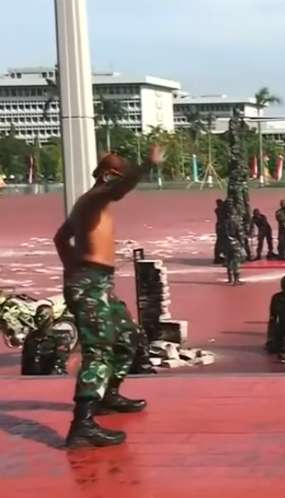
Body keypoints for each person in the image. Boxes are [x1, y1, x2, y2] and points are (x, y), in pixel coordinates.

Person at [54, 145, 164, 448]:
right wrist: (147, 165)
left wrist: (73, 268)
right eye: (117, 177)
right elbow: (120, 189)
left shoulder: (88, 205)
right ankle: (83, 424)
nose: (120, 184)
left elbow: (60, 238)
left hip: (97, 283)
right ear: (107, 176)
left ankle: (108, 395)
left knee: (128, 336)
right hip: (89, 283)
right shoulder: (95, 199)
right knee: (98, 349)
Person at [20, 304, 71, 376]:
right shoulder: (31, 337)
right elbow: (25, 361)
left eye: (42, 316)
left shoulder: (61, 337)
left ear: (51, 318)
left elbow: (59, 362)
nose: (38, 319)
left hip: (51, 379)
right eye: (37, 317)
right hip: (31, 378)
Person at [220, 201, 246, 285]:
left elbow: (220, 234)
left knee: (229, 261)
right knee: (236, 261)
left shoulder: (223, 222)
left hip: (226, 244)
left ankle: (230, 279)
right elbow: (240, 233)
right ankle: (236, 280)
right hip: (235, 243)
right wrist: (242, 243)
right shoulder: (236, 221)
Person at [213, 199, 225, 264]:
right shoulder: (219, 210)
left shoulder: (217, 209)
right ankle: (217, 257)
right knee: (220, 242)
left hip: (219, 226)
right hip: (221, 226)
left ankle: (217, 257)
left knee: (219, 242)